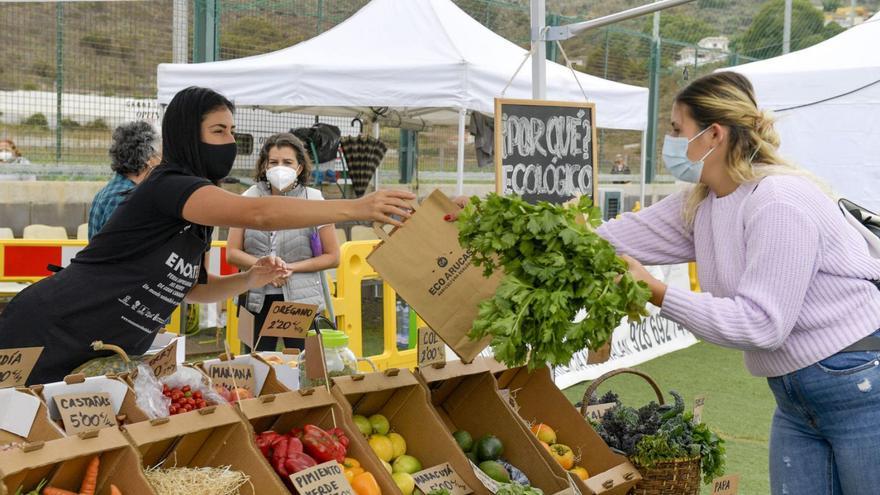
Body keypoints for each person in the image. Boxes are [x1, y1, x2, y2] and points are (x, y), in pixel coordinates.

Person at [448, 71, 880, 494]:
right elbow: (595, 241)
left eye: (677, 129)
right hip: (795, 397)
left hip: (858, 382)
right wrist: (495, 214)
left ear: (713, 135)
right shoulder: (703, 204)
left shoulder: (779, 201)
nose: (669, 143)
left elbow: (762, 324)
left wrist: (655, 290)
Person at [0, 87, 414, 385]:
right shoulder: (171, 186)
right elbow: (260, 212)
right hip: (47, 329)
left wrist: (250, 280)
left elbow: (190, 289)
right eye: (219, 131)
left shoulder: (197, 215)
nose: (230, 142)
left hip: (95, 350)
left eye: (232, 132)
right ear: (185, 134)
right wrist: (358, 207)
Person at [226, 132, 339, 351]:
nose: (280, 167)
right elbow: (232, 252)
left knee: (305, 367)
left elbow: (333, 257)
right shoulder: (248, 198)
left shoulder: (314, 199)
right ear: (264, 167)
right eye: (274, 162)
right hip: (256, 300)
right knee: (257, 363)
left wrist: (287, 268)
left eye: (287, 162)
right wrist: (265, 268)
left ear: (299, 167)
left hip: (301, 301)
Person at [88, 121, 162, 239]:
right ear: (149, 158)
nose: (163, 163)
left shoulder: (108, 192)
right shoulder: (127, 199)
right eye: (162, 156)